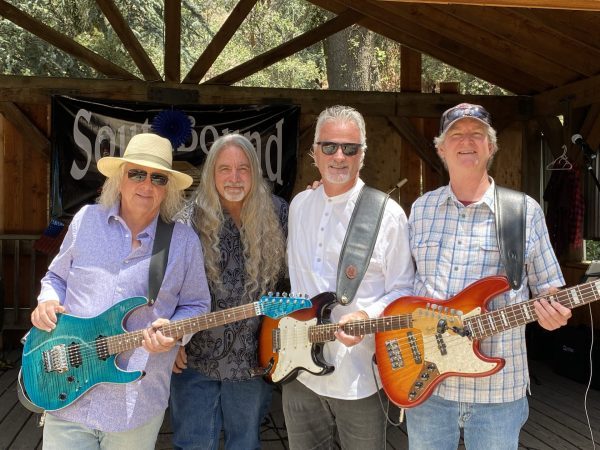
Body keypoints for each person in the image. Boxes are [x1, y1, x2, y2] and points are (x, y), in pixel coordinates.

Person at [405, 103, 572, 449]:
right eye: (456, 134)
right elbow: (402, 288)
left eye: (477, 134)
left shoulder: (523, 211)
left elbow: (549, 288)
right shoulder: (421, 209)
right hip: (427, 382)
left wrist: (553, 313)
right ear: (441, 148)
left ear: (491, 147)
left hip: (498, 392)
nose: (467, 141)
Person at [30, 133, 211, 449]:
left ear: (167, 187)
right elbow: (56, 278)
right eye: (137, 173)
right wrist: (47, 300)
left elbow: (197, 304)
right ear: (120, 178)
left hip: (135, 407)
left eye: (158, 177)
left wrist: (174, 332)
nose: (147, 185)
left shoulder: (183, 241)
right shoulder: (86, 220)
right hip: (66, 393)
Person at [282, 105, 415, 449]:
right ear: (314, 153)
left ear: (362, 155)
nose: (339, 156)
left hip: (358, 377)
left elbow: (404, 289)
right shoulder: (298, 205)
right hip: (298, 372)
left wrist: (366, 316)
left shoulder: (388, 214)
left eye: (350, 148)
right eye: (329, 146)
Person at [169, 134, 288, 450]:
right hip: (195, 358)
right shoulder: (187, 221)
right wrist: (173, 341)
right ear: (211, 173)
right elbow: (168, 288)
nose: (234, 177)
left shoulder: (278, 213)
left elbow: (295, 277)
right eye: (224, 169)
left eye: (242, 168)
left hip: (253, 358)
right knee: (193, 444)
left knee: (245, 443)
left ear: (255, 172)